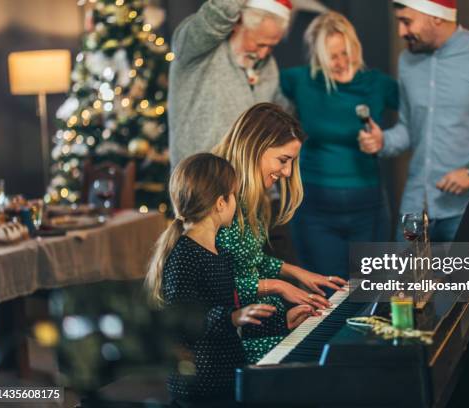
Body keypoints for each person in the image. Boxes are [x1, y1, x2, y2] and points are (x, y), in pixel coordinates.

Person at [358, 1, 469, 407]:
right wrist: (384, 142)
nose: (402, 30)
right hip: (415, 212)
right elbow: (409, 132)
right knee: (405, 315)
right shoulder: (409, 63)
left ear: (436, 15)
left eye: (407, 21)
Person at [145, 153, 314, 405]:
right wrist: (232, 317)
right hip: (199, 385)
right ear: (221, 203)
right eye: (234, 195)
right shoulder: (184, 255)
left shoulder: (220, 253)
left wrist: (282, 322)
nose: (236, 202)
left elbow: (232, 319)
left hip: (225, 378)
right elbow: (182, 320)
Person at [213, 103, 347, 363]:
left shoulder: (250, 197)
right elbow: (211, 290)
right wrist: (277, 285)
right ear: (255, 146)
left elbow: (249, 259)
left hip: (254, 329)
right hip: (229, 346)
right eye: (283, 160)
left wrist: (297, 273)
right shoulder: (218, 202)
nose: (287, 172)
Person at [280, 11, 399, 280]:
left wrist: (385, 140)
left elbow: (420, 116)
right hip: (314, 210)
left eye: (347, 52)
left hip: (368, 209)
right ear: (317, 56)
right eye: (332, 56)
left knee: (370, 292)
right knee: (327, 293)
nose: (342, 62)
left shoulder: (377, 84)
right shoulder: (301, 81)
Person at [168, 0, 294, 168]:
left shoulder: (268, 66)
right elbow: (216, 15)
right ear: (237, 23)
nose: (264, 53)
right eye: (260, 44)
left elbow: (277, 114)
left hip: (247, 182)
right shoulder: (196, 50)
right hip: (199, 180)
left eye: (271, 46)